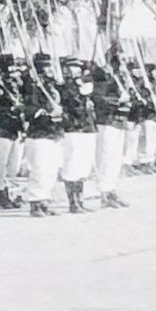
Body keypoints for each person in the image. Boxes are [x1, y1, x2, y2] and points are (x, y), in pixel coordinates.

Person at [21, 53, 65, 216]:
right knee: (39, 168)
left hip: (53, 132)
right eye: (46, 66)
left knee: (51, 169)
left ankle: (45, 199)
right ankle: (35, 202)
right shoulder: (32, 85)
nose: (50, 69)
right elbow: (28, 107)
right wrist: (45, 113)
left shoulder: (51, 85)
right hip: (39, 132)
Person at [90, 50, 132, 209]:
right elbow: (99, 99)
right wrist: (118, 101)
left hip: (117, 121)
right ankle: (104, 192)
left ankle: (111, 188)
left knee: (115, 157)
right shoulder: (102, 78)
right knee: (105, 156)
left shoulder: (119, 78)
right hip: (105, 121)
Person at [0, 55, 27, 210]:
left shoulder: (17, 85)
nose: (14, 71)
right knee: (0, 164)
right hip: (2, 128)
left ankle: (12, 194)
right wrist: (10, 110)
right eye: (10, 68)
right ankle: (0, 195)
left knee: (13, 165)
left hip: (16, 128)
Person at [58, 57, 96, 213]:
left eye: (78, 68)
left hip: (87, 127)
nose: (76, 71)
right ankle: (72, 202)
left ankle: (80, 199)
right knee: (72, 165)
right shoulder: (65, 87)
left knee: (83, 165)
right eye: (72, 68)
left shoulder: (84, 84)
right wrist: (81, 94)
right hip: (73, 127)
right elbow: (73, 105)